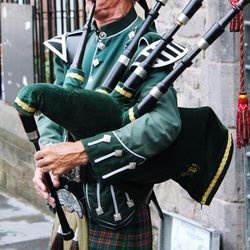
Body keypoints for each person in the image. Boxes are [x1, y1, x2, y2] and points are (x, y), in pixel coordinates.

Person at [32, 0, 181, 249]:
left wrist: (84, 151)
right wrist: (48, 158)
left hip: (116, 209)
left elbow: (163, 123)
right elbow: (52, 111)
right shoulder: (71, 44)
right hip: (68, 205)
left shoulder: (149, 47)